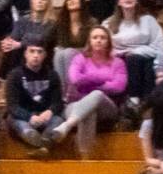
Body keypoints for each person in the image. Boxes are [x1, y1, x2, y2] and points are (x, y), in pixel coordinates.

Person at [52, 26, 126, 157]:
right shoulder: (80, 58)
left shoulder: (117, 62)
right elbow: (75, 79)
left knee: (96, 95)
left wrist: (90, 83)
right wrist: (103, 80)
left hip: (107, 106)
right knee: (89, 111)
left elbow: (119, 86)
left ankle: (67, 125)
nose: (99, 40)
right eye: (95, 37)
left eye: (103, 38)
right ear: (89, 41)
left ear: (108, 41)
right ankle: (86, 158)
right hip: (76, 104)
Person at [103, 0, 163, 106]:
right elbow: (104, 45)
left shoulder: (148, 20)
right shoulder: (108, 23)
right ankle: (136, 98)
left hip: (146, 55)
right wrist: (120, 53)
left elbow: (160, 42)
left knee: (145, 61)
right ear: (119, 2)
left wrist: (136, 51)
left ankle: (144, 101)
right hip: (119, 58)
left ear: (136, 1)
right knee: (135, 60)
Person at [4, 41, 64, 157]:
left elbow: (58, 102)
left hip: (45, 118)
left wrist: (50, 111)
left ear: (45, 55)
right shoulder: (14, 75)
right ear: (25, 54)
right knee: (12, 119)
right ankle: (42, 144)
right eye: (32, 51)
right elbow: (12, 106)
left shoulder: (52, 75)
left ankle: (42, 142)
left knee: (59, 120)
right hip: (24, 118)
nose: (36, 55)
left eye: (39, 52)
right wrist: (29, 117)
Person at [0, 0, 57, 79]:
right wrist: (8, 42)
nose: (40, 1)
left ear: (47, 3)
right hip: (23, 54)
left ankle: (7, 77)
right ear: (32, 2)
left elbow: (41, 39)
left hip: (42, 54)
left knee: (26, 48)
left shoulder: (52, 23)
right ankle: (4, 77)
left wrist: (21, 43)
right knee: (11, 46)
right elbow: (15, 37)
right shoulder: (23, 20)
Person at [52, 0, 96, 91]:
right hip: (65, 54)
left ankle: (72, 90)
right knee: (59, 53)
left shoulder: (91, 22)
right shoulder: (61, 23)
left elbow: (91, 45)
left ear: (82, 2)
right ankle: (61, 91)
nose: (72, 1)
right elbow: (53, 41)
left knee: (67, 52)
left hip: (86, 55)